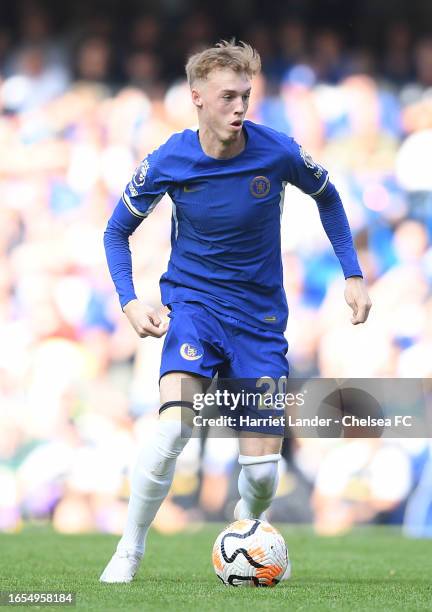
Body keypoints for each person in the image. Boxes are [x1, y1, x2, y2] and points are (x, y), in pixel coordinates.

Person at [100, 39, 372, 583]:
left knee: (263, 473)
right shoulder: (169, 159)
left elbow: (329, 197)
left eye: (246, 96)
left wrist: (353, 274)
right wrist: (130, 301)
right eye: (228, 97)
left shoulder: (278, 150)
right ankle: (129, 550)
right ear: (197, 97)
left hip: (260, 323)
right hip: (195, 308)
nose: (240, 107)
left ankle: (245, 541)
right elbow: (116, 231)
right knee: (175, 424)